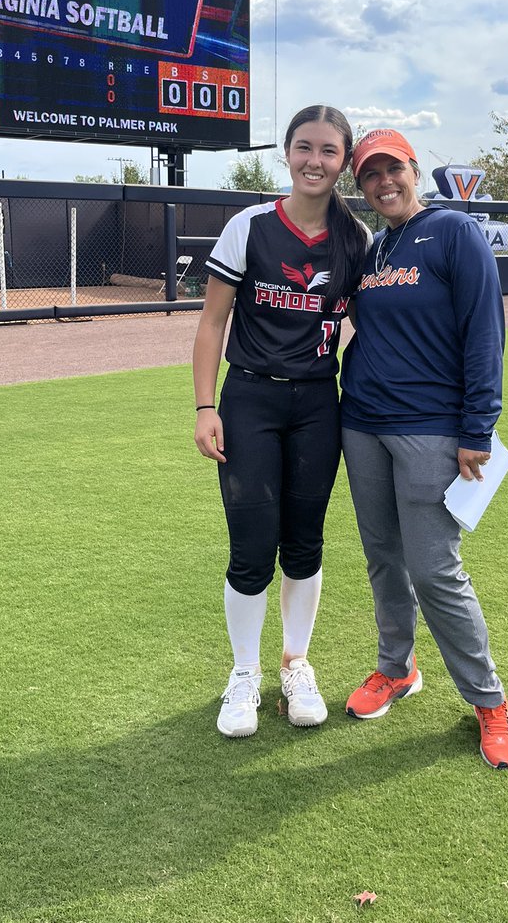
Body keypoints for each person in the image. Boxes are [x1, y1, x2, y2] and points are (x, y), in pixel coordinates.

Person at [339, 128, 508, 769]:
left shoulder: (453, 232)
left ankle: (488, 701)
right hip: (361, 422)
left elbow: (484, 331)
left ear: (415, 170)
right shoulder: (373, 250)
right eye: (370, 174)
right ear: (360, 188)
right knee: (383, 557)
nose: (383, 182)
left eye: (393, 169)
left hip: (432, 429)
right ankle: (397, 668)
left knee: (434, 568)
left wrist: (478, 428)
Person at [193, 105, 367, 738]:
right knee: (250, 547)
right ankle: (243, 673)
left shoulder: (355, 241)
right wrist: (205, 405)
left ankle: (295, 663)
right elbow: (212, 323)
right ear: (287, 154)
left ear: (344, 160)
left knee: (304, 542)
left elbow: (372, 325)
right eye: (303, 147)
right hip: (251, 402)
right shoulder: (250, 226)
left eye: (327, 150)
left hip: (320, 404)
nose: (313, 161)